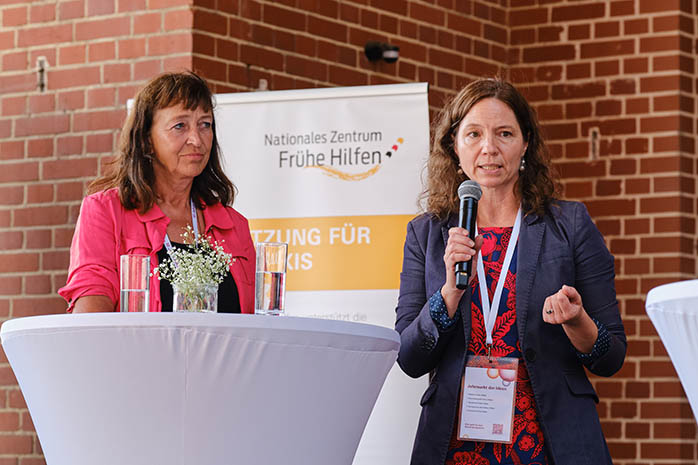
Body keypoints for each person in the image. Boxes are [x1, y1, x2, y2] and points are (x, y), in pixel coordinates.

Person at [395, 78, 626, 465]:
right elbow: (409, 358)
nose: (489, 148)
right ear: (454, 146)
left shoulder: (569, 226)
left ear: (525, 144)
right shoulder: (426, 233)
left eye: (504, 133)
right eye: (473, 134)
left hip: (550, 443)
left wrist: (576, 321)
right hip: (454, 445)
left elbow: (611, 356)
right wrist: (449, 292)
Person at [59, 71, 255, 313]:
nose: (196, 139)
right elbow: (90, 314)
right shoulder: (106, 212)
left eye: (205, 124)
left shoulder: (234, 225)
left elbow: (255, 325)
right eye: (180, 126)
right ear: (146, 140)